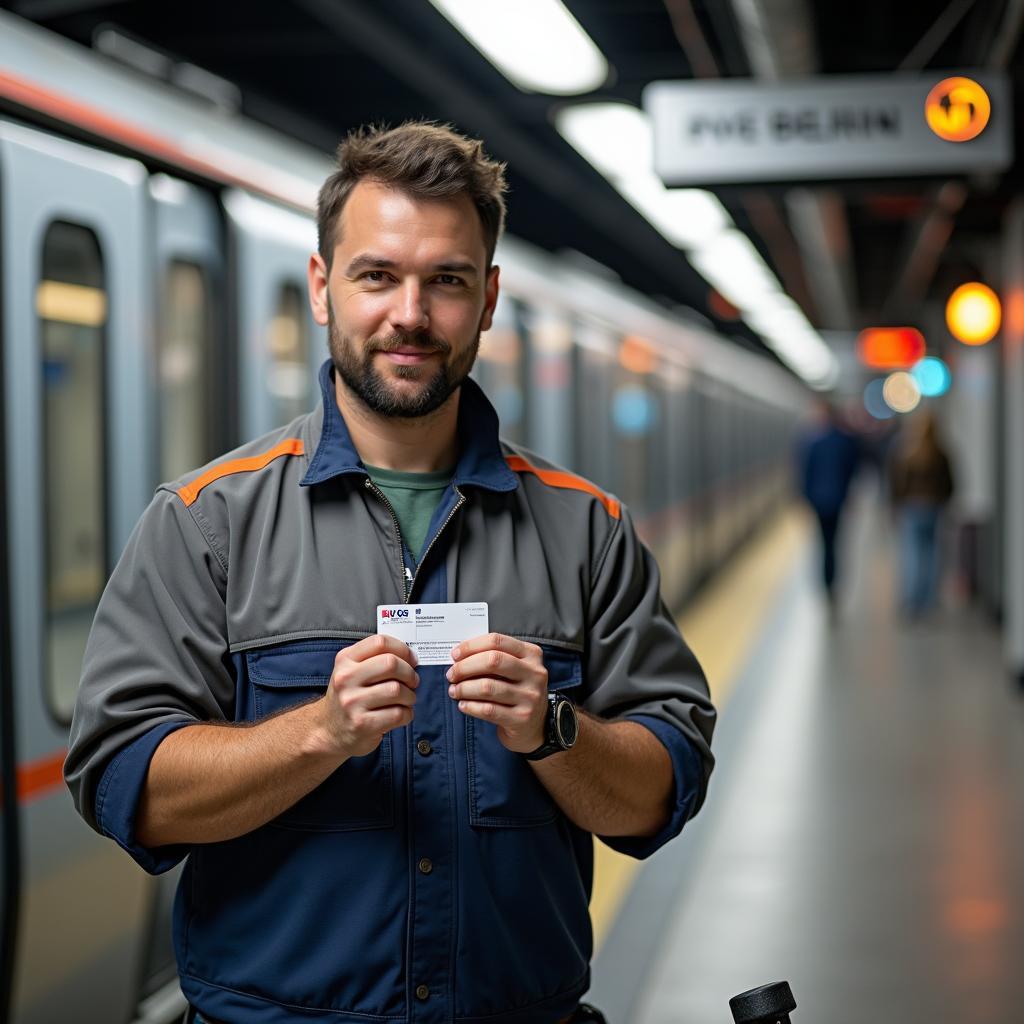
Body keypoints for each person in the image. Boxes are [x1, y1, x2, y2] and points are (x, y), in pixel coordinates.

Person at [64, 122, 716, 1024]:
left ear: (486, 300)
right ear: (322, 289)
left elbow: (663, 790)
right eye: (377, 275)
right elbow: (123, 784)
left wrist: (554, 726)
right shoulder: (205, 523)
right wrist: (318, 733)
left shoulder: (587, 529)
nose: (410, 313)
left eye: (445, 280)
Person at [888, 411, 955, 617]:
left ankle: (911, 601)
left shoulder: (907, 453)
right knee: (933, 554)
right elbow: (950, 484)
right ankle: (929, 600)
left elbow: (898, 484)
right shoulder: (941, 454)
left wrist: (895, 506)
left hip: (912, 508)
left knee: (912, 554)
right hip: (934, 508)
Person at [796, 401, 861, 611]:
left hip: (818, 501)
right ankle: (833, 583)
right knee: (835, 542)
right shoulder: (845, 441)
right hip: (839, 500)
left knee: (824, 543)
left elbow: (805, 472)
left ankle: (826, 583)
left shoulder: (813, 443)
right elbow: (852, 470)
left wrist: (804, 498)